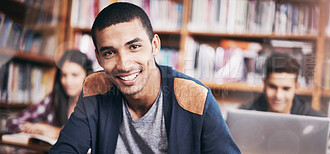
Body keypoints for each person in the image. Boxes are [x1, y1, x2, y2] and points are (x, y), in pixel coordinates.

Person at [50, 2, 240, 154]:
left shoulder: (195, 96)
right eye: (109, 52)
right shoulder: (95, 88)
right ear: (98, 58)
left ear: (155, 45)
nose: (124, 65)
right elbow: (67, 148)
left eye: (134, 47)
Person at [6, 50, 93, 139]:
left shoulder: (96, 104)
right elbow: (12, 122)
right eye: (64, 75)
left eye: (74, 75)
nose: (68, 82)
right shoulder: (53, 99)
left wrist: (56, 132)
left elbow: (94, 137)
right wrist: (32, 129)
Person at [242, 53, 325, 117]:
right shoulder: (244, 114)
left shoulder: (315, 120)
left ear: (296, 87)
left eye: (286, 88)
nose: (278, 95)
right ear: (264, 84)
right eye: (272, 87)